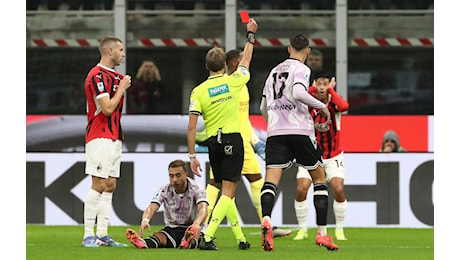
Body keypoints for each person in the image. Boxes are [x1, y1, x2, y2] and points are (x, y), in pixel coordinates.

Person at [197, 49, 292, 238]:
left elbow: (244, 118)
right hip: (235, 139)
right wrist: (254, 141)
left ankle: (266, 224)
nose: (245, 62)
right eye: (241, 59)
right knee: (227, 182)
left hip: (237, 139)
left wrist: (255, 141)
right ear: (232, 64)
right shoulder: (231, 85)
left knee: (233, 181)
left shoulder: (240, 84)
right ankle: (202, 224)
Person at [259, 33, 339, 252]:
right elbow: (297, 92)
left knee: (271, 181)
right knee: (320, 178)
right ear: (308, 51)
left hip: (276, 133)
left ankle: (266, 219)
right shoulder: (302, 69)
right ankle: (322, 234)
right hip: (299, 131)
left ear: (288, 49)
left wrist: (273, 124)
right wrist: (321, 106)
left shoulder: (273, 72)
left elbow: (262, 108)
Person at [186, 18, 258, 251]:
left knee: (226, 190)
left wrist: (191, 155)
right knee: (228, 191)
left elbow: (191, 127)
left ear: (207, 67)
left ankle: (240, 239)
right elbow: (246, 59)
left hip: (212, 144)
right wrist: (250, 35)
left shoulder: (198, 91)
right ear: (226, 66)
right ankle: (207, 237)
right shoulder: (233, 81)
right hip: (232, 140)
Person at [82, 36, 132, 247]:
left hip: (114, 136)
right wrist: (121, 89)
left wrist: (120, 86)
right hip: (99, 135)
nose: (123, 54)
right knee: (98, 183)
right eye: (120, 50)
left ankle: (103, 234)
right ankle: (87, 235)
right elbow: (108, 108)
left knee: (110, 184)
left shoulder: (116, 76)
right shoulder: (96, 75)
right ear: (109, 51)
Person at [293, 72, 349, 242]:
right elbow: (297, 95)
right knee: (301, 189)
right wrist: (315, 88)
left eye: (326, 84)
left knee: (338, 189)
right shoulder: (308, 101)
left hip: (333, 155)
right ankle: (302, 229)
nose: (322, 87)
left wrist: (331, 91)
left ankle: (339, 229)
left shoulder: (334, 104)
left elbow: (345, 106)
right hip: (310, 154)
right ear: (314, 85)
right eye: (319, 84)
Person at [125, 159, 208, 249]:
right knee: (159, 236)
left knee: (196, 237)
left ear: (186, 175)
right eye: (171, 176)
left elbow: (203, 209)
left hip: (192, 228)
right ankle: (144, 243)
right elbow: (152, 207)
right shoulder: (164, 190)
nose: (174, 180)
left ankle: (189, 241)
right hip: (173, 228)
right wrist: (145, 220)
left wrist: (196, 223)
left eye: (178, 175)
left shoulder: (197, 189)